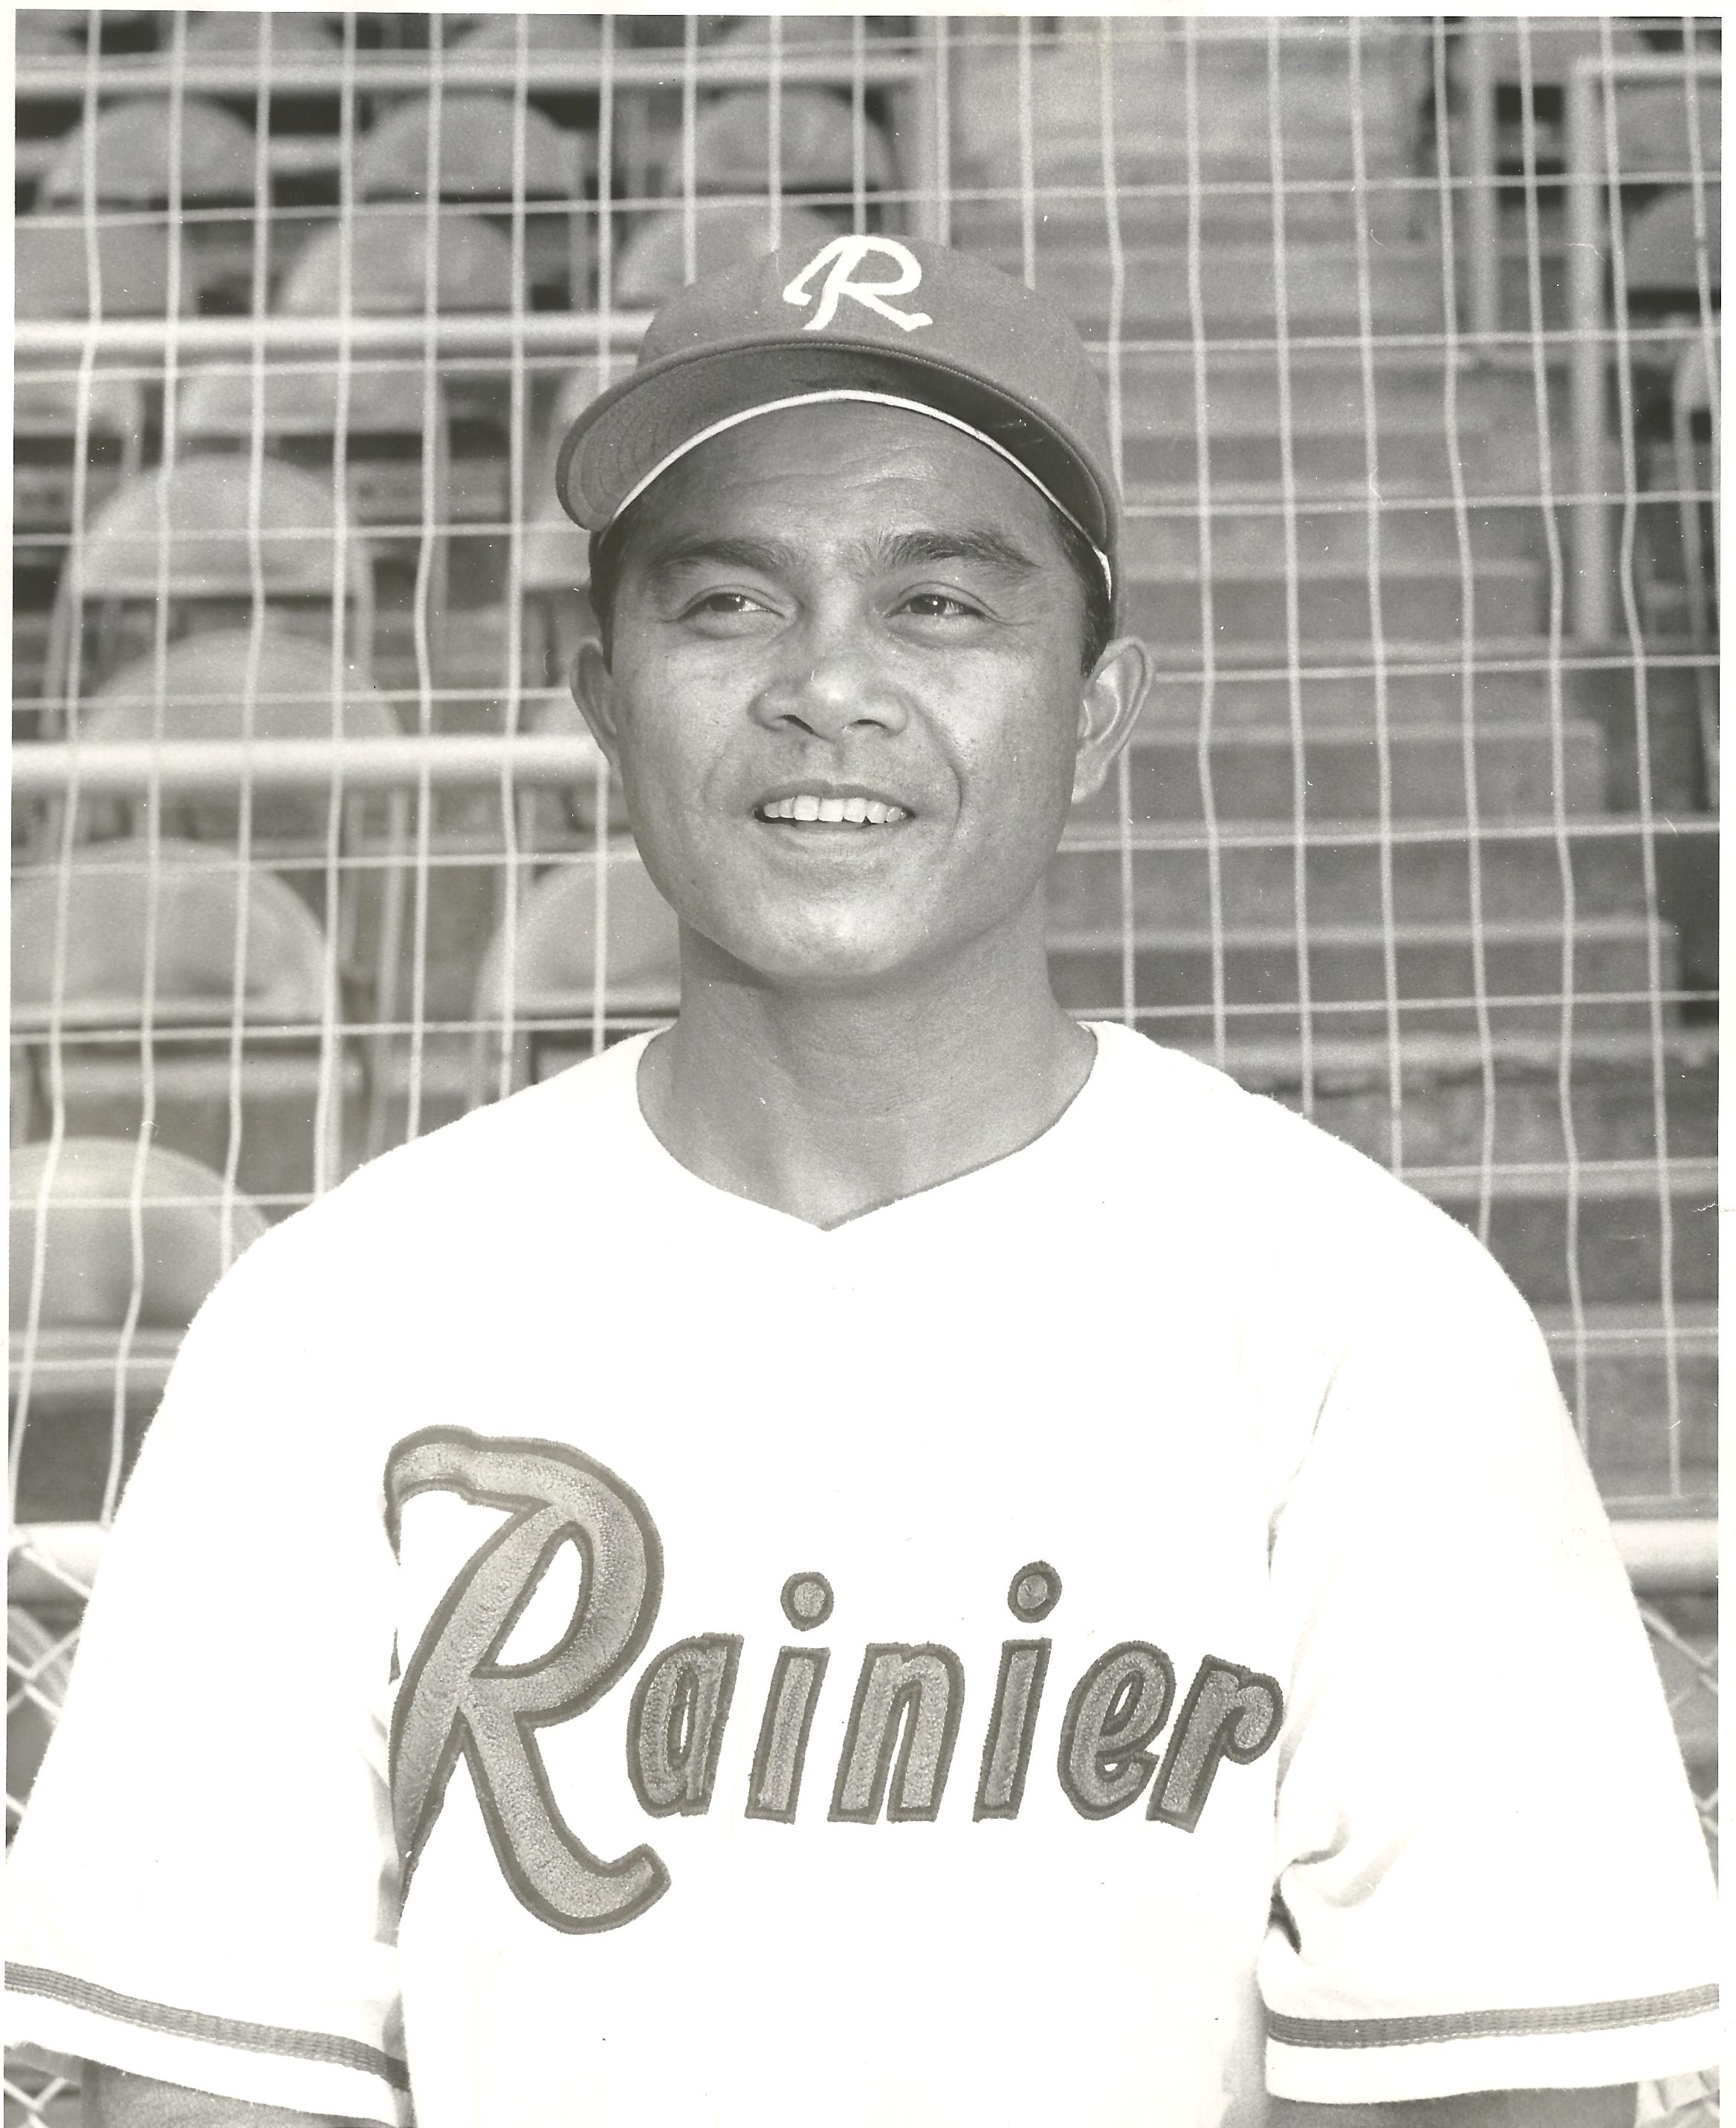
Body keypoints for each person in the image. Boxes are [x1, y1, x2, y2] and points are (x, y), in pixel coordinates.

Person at [6, 234, 1717, 2128]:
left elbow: (1489, 2094)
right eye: (727, 601)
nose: (830, 686)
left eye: (941, 607)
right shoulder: (329, 1329)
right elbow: (196, 2092)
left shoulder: (1366, 1323)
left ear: (1097, 707)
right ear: (601, 696)